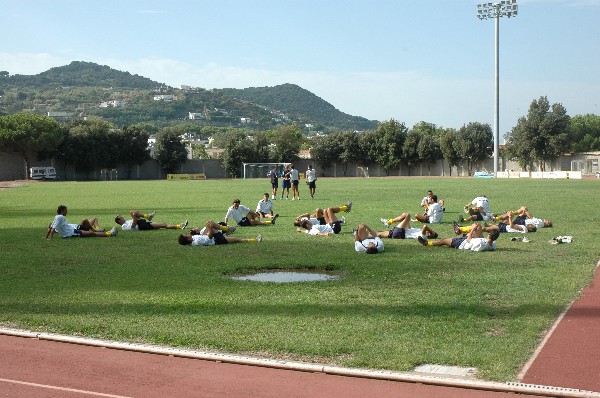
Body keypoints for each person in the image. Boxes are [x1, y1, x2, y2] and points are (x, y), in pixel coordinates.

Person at [418, 222, 499, 252]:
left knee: (443, 241)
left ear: (489, 234)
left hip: (462, 243)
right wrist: (477, 229)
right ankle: (459, 229)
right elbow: (485, 240)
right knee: (478, 226)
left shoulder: (480, 243)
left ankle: (427, 243)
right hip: (472, 240)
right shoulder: (493, 244)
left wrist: (472, 230)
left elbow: (469, 239)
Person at [47, 205, 117, 239]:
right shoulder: (60, 217)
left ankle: (108, 232)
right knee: (92, 233)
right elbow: (52, 228)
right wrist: (50, 238)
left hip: (72, 231)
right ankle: (110, 233)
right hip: (71, 233)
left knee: (91, 232)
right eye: (66, 210)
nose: (67, 212)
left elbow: (51, 227)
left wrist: (46, 237)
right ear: (62, 211)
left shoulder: (57, 217)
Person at [178, 220, 261, 246]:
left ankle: (255, 240)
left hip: (213, 238)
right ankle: (228, 229)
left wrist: (196, 231)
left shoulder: (192, 239)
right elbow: (208, 238)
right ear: (188, 238)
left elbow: (202, 236)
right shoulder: (197, 241)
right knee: (211, 224)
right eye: (186, 235)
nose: (187, 234)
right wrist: (210, 229)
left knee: (237, 239)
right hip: (216, 239)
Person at [115, 210, 188, 231]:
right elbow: (133, 226)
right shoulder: (124, 226)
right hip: (141, 226)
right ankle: (180, 226)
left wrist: (134, 216)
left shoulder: (126, 221)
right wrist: (134, 217)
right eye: (121, 217)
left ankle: (148, 216)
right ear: (119, 221)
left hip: (142, 223)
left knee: (132, 212)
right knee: (163, 225)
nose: (123, 217)